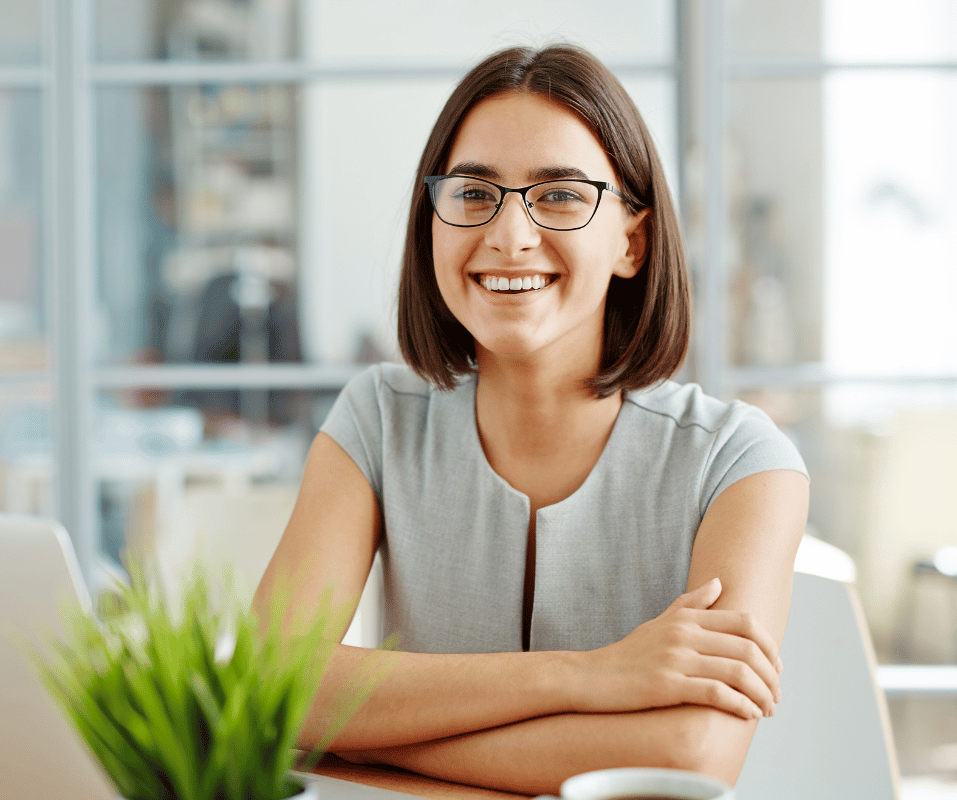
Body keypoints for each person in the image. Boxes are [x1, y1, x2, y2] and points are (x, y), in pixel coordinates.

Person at [253, 43, 809, 795]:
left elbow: (687, 751)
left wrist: (363, 743)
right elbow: (272, 684)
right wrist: (595, 676)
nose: (509, 236)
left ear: (632, 242)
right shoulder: (378, 419)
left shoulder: (741, 462)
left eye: (559, 196)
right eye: (474, 194)